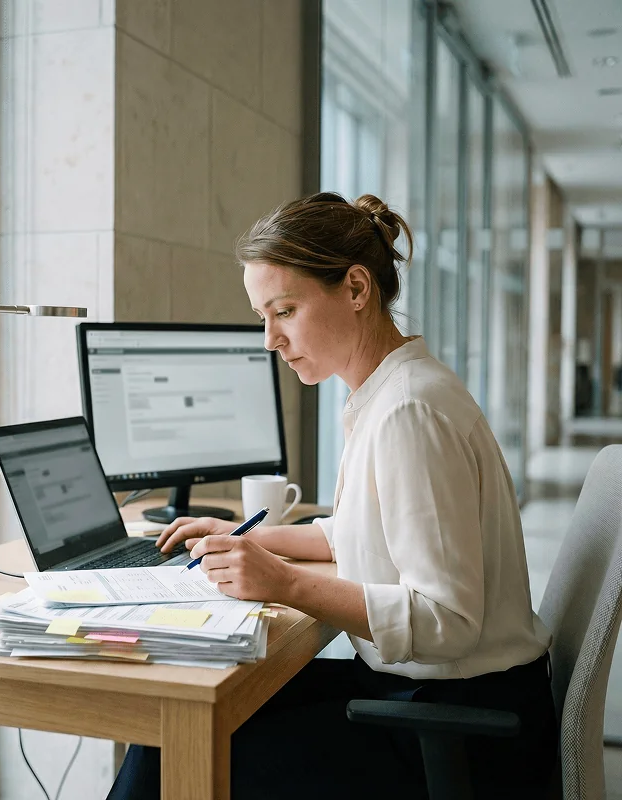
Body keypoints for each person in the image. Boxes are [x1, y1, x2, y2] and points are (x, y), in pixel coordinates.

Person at [106, 192, 557, 799]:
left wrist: (287, 583)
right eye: (263, 316)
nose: (270, 339)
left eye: (285, 311)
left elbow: (448, 621)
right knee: (176, 725)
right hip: (438, 697)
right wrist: (247, 540)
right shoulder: (389, 392)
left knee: (182, 749)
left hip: (460, 732)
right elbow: (362, 533)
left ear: (355, 288)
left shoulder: (409, 412)